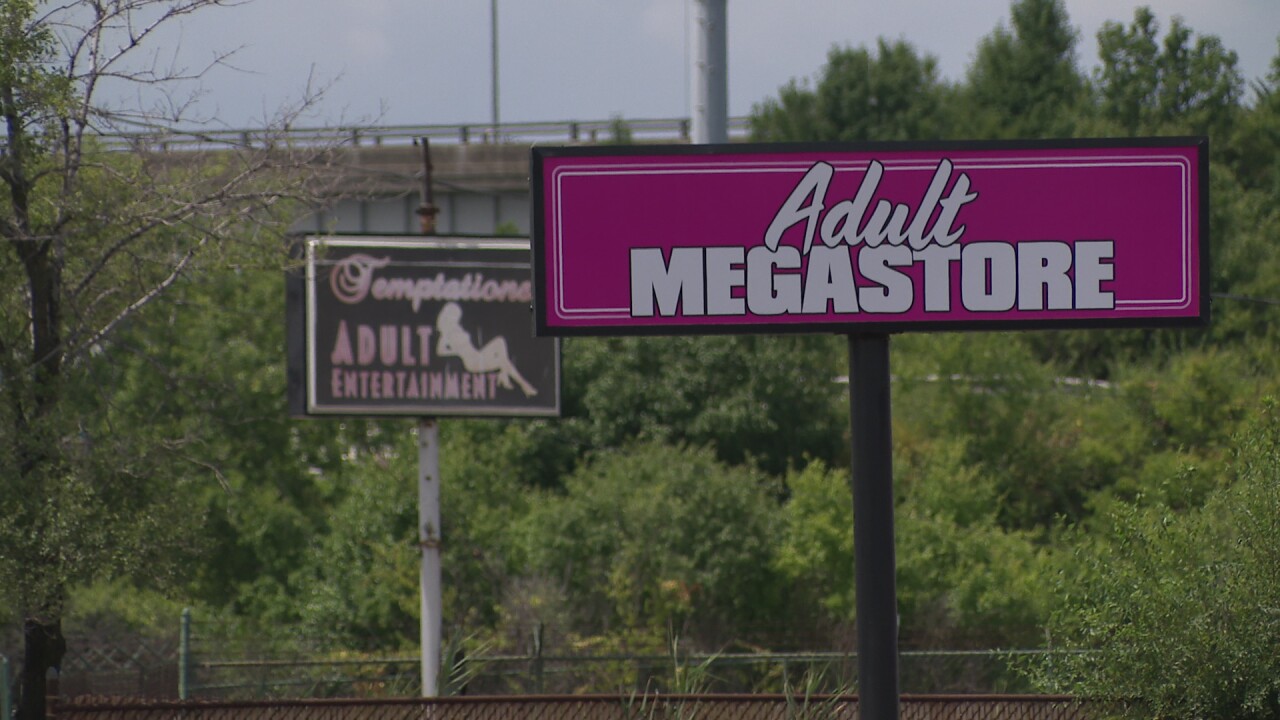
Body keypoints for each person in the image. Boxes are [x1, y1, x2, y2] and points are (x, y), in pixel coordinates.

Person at [435, 302, 538, 397]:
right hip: (472, 362)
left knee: (500, 341)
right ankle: (522, 384)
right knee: (503, 362)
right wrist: (457, 352)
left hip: (478, 355)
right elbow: (439, 351)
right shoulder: (446, 333)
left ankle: (506, 375)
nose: (456, 317)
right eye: (454, 315)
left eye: (457, 315)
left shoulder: (457, 328)